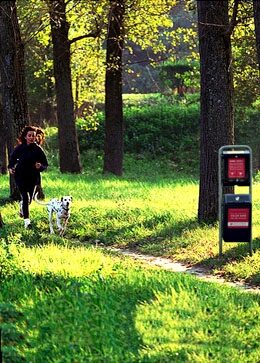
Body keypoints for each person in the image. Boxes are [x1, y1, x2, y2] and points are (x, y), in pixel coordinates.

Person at [8, 125, 48, 229]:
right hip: (20, 176)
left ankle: (22, 206)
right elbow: (12, 159)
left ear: (36, 137)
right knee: (25, 197)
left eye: (33, 136)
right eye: (29, 135)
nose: (31, 138)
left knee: (29, 200)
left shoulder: (38, 149)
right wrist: (11, 167)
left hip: (33, 178)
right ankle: (27, 221)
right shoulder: (19, 148)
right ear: (25, 137)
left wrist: (40, 166)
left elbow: (45, 164)